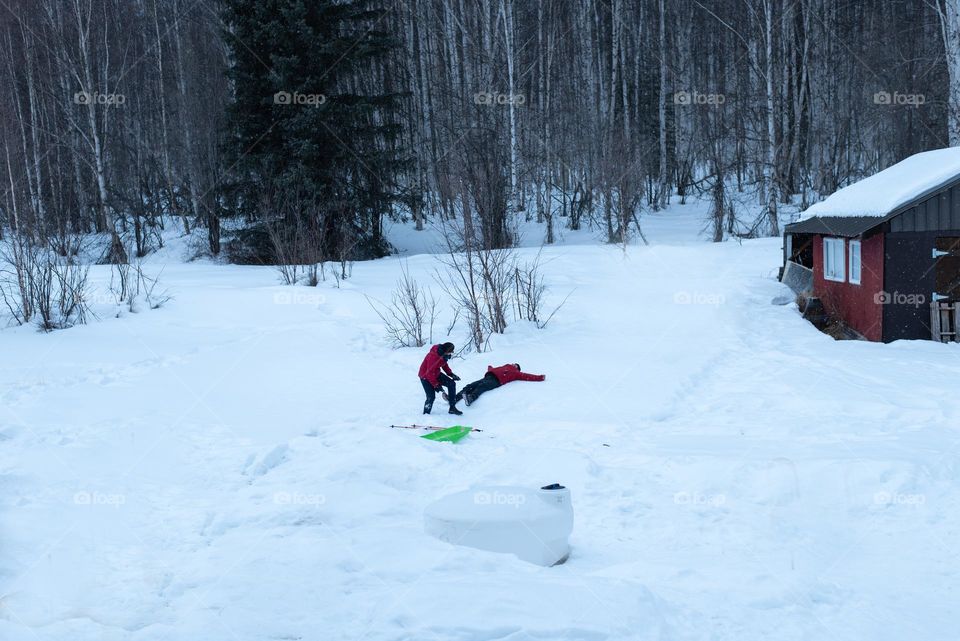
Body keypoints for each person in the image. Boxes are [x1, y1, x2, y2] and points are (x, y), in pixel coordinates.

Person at [452, 364, 546, 406]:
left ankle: (471, 399)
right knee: (470, 386)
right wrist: (490, 368)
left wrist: (539, 377)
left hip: (496, 381)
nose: (513, 364)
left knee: (481, 387)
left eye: (515, 365)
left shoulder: (516, 373)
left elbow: (527, 376)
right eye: (514, 363)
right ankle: (453, 398)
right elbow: (494, 369)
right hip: (489, 376)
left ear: (517, 368)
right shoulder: (505, 366)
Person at [418, 342, 463, 415]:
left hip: (435, 373)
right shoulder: (433, 356)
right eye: (451, 351)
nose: (451, 353)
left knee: (451, 384)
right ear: (447, 351)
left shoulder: (443, 355)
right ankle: (426, 414)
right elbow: (429, 373)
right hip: (425, 376)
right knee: (431, 397)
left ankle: (452, 408)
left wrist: (450, 374)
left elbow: (444, 364)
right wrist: (436, 385)